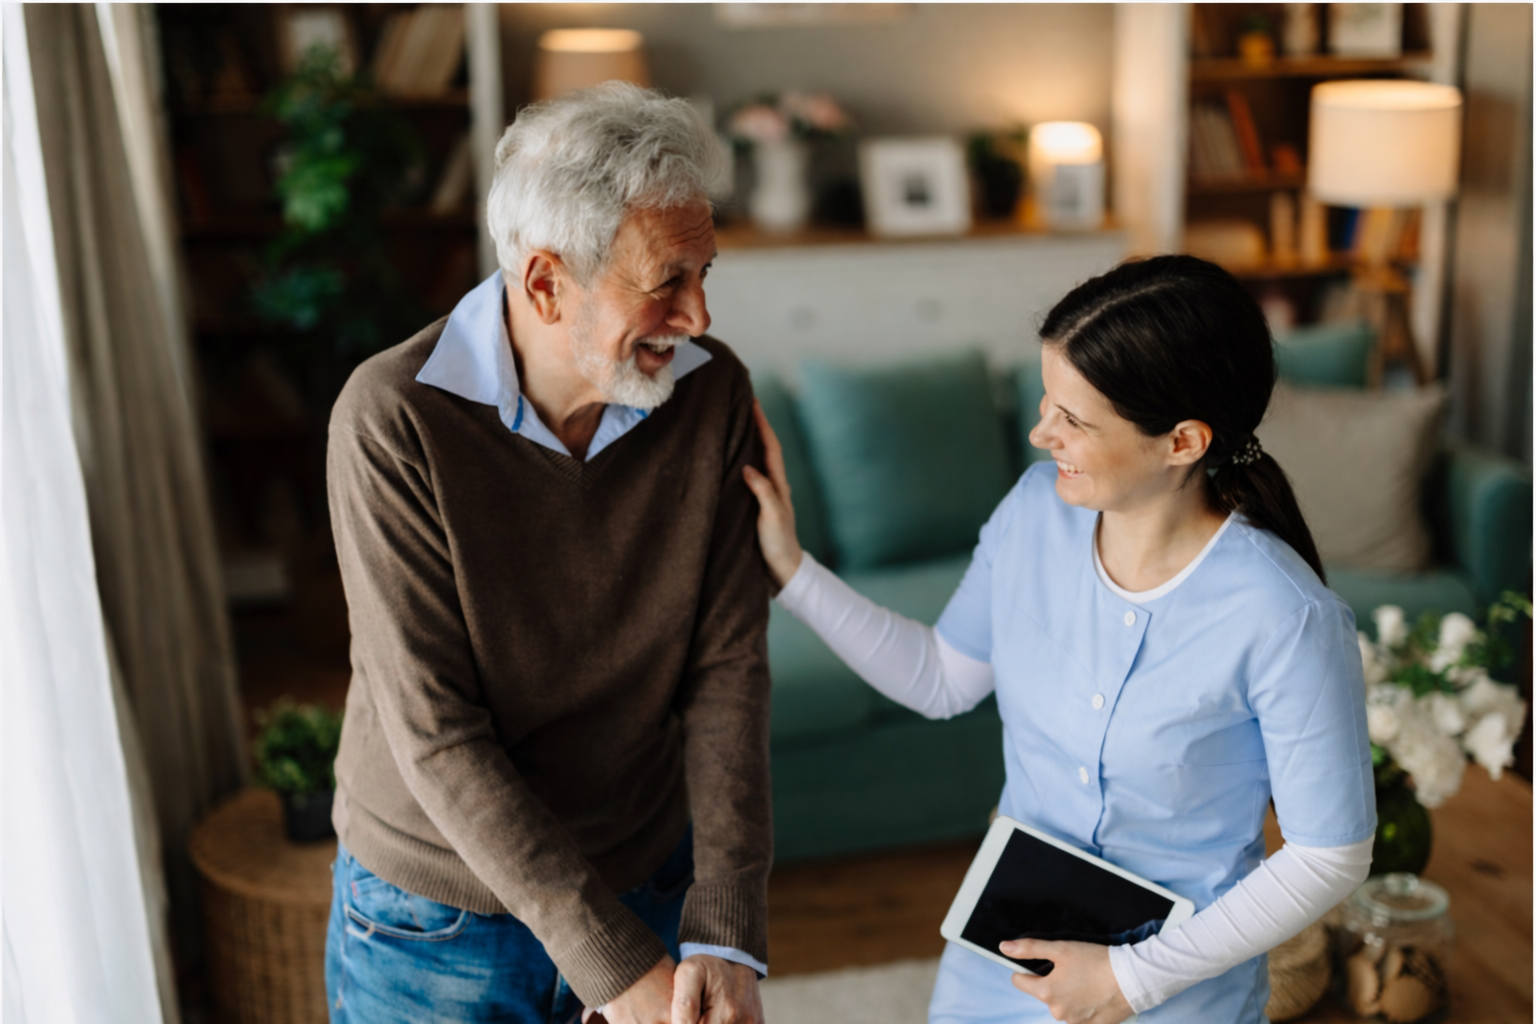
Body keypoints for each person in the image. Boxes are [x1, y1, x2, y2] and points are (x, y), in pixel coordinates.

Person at [743, 255, 1376, 1024]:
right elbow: (942, 678)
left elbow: (1329, 853)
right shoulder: (1033, 512)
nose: (1043, 434)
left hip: (1177, 984)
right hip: (1005, 950)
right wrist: (791, 569)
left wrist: (1132, 980)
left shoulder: (1287, 617)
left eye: (1073, 420)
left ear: (1181, 443)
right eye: (1048, 401)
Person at [323, 83, 770, 1024]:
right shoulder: (393, 418)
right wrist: (610, 966)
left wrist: (725, 922)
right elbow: (437, 733)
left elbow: (727, 668)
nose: (699, 316)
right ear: (544, 282)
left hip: (643, 868)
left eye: (706, 273)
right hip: (436, 916)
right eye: (665, 284)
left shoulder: (710, 393)